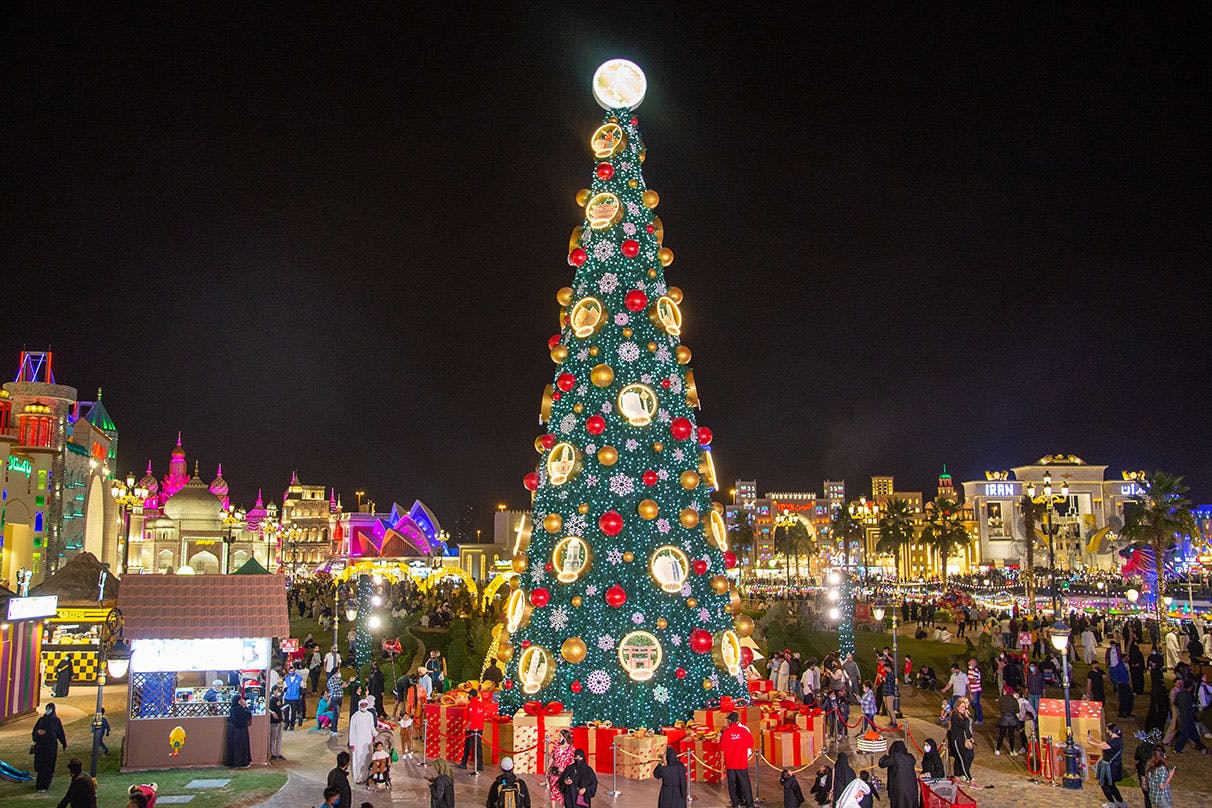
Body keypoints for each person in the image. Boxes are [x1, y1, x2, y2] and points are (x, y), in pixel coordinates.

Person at [720, 711, 755, 808]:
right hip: (742, 763)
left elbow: (722, 747)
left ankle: (735, 804)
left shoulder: (726, 733)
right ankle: (749, 804)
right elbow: (750, 744)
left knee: (732, 785)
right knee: (745, 784)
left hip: (731, 764)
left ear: (730, 721)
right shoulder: (744, 731)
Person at [1086, 724, 1125, 807]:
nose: (1106, 731)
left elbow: (1101, 746)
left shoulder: (1113, 742)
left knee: (1104, 784)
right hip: (1115, 767)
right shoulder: (1117, 740)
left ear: (1111, 731)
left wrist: (1090, 743)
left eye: (1107, 730)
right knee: (1112, 785)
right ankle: (1120, 802)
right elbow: (1103, 743)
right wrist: (1092, 738)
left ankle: (1112, 802)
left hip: (1111, 768)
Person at [32, 701, 67, 791]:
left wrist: (64, 743)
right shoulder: (41, 720)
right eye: (47, 709)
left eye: (49, 709)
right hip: (41, 747)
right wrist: (38, 733)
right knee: (41, 766)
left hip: (50, 747)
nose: (48, 710)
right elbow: (34, 731)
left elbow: (60, 732)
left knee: (49, 766)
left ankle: (46, 784)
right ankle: (39, 785)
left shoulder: (56, 721)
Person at [876, 740, 914, 808]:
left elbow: (881, 763)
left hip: (898, 788)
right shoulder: (910, 757)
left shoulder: (894, 758)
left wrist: (887, 755)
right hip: (911, 788)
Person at [946, 697, 975, 783]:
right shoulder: (955, 716)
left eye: (965, 707)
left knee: (960, 759)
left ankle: (957, 775)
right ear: (957, 707)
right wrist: (966, 718)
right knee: (962, 759)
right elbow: (964, 726)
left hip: (962, 739)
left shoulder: (962, 715)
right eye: (962, 707)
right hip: (956, 740)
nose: (964, 708)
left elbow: (967, 728)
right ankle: (968, 778)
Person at [458, 688, 486, 771]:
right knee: (478, 747)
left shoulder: (471, 704)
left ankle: (463, 763)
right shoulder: (481, 704)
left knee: (467, 746)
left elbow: (471, 717)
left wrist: (467, 727)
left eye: (469, 695)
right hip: (480, 728)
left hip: (472, 729)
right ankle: (480, 765)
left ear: (471, 695)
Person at [349, 699, 377, 783]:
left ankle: (367, 776)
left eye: (366, 704)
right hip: (358, 742)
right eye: (362, 705)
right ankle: (359, 777)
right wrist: (352, 743)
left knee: (368, 759)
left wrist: (377, 735)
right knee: (358, 759)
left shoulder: (370, 715)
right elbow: (352, 731)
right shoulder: (355, 716)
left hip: (368, 741)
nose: (364, 706)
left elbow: (372, 728)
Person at [548, 729, 577, 803]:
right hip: (554, 770)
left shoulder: (571, 749)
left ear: (565, 737)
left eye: (560, 736)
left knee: (561, 789)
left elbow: (573, 762)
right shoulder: (556, 747)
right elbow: (552, 757)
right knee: (552, 787)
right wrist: (548, 768)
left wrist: (565, 768)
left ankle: (564, 803)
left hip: (564, 772)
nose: (559, 738)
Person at [225, 694, 253, 768]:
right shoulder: (240, 709)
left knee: (234, 747)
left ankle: (233, 762)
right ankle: (241, 762)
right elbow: (248, 715)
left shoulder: (232, 709)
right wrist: (246, 707)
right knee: (241, 747)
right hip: (240, 731)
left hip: (233, 732)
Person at [995, 686, 1020, 755]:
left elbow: (999, 708)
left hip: (1004, 718)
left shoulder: (1001, 699)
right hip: (1012, 719)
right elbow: (1017, 710)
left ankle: (997, 749)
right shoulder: (1014, 700)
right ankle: (1012, 750)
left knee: (1001, 735)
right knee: (1011, 736)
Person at [284, 664, 305, 729]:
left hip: (295, 697)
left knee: (293, 712)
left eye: (293, 671)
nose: (291, 672)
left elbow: (302, 687)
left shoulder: (299, 679)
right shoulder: (286, 679)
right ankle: (286, 723)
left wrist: (300, 695)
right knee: (286, 711)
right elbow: (285, 688)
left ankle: (292, 725)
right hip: (287, 697)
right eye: (290, 671)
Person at [326, 669, 346, 736]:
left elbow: (344, 685)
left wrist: (349, 681)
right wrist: (341, 686)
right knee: (335, 715)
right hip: (335, 699)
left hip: (340, 698)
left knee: (337, 715)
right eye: (338, 672)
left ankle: (334, 728)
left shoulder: (338, 679)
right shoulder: (331, 680)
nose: (339, 673)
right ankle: (333, 730)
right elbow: (334, 689)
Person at [268, 686, 285, 761]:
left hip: (279, 721)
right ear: (274, 691)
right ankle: (273, 753)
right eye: (277, 690)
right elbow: (269, 709)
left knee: (279, 738)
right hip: (274, 722)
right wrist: (272, 713)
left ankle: (278, 753)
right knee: (273, 738)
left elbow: (280, 708)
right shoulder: (271, 700)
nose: (278, 692)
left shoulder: (278, 699)